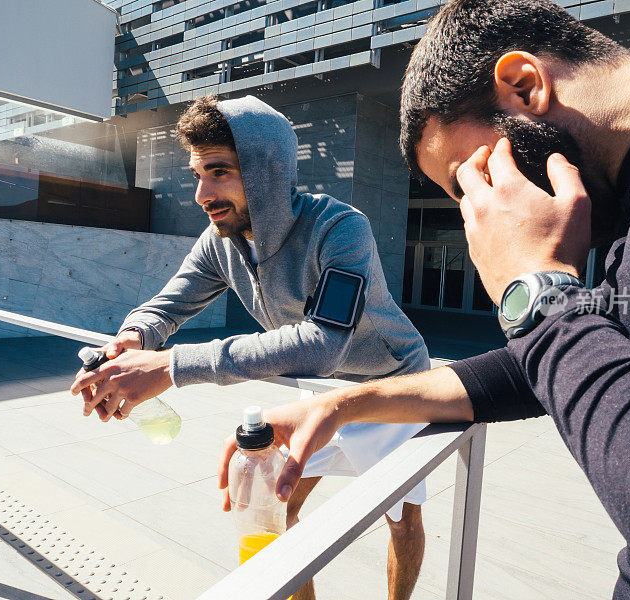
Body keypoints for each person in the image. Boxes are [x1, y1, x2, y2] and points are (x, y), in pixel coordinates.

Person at [218, 1, 630, 598]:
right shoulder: (627, 204)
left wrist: (536, 291)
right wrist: (350, 404)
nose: (472, 211)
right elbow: (550, 367)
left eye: (467, 178)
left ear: (524, 86)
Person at [69, 95, 431, 600]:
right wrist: (133, 337)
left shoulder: (341, 228)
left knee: (400, 517)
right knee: (277, 511)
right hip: (321, 389)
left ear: (268, 171)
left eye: (219, 171)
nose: (201, 193)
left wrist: (171, 366)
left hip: (395, 385)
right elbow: (167, 306)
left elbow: (323, 341)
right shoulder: (220, 239)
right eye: (197, 174)